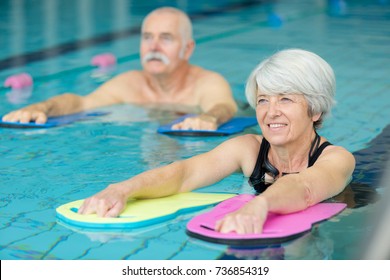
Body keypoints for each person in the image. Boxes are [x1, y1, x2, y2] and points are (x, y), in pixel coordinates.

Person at [78, 49, 355, 234]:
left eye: (285, 98)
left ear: (316, 109)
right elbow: (184, 174)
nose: (271, 112)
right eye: (262, 100)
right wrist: (122, 189)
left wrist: (258, 205)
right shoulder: (249, 149)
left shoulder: (337, 159)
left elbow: (304, 187)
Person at [1, 7, 237, 130]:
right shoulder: (129, 84)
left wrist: (208, 118)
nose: (153, 47)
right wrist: (41, 107)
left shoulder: (207, 83)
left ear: (187, 49)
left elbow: (223, 106)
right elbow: (81, 103)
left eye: (165, 38)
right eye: (147, 37)